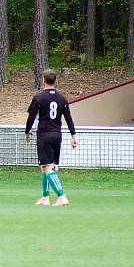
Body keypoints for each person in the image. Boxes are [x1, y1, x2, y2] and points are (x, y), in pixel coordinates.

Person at [25, 69, 78, 207]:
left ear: (43, 81)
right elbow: (69, 119)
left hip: (44, 135)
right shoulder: (62, 98)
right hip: (57, 135)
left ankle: (62, 196)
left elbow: (31, 117)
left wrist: (27, 131)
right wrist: (74, 136)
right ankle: (45, 198)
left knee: (48, 168)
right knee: (46, 167)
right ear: (56, 81)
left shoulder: (39, 98)